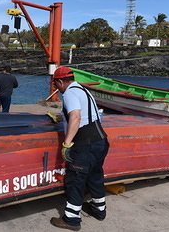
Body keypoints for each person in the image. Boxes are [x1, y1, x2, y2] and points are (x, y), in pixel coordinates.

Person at [50, 66, 109, 231]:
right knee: (95, 175)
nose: (56, 89)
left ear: (61, 81)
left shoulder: (69, 93)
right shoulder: (82, 89)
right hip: (100, 140)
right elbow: (88, 114)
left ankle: (72, 219)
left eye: (56, 85)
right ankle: (99, 210)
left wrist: (67, 143)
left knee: (76, 178)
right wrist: (61, 118)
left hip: (85, 143)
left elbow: (76, 116)